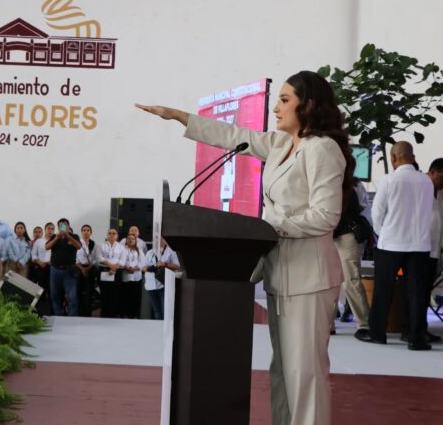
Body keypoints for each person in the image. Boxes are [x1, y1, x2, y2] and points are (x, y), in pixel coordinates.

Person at [137, 70, 353, 425]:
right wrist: (179, 116)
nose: (276, 108)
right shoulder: (284, 144)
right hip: (280, 275)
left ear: (309, 105)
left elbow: (326, 217)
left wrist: (269, 227)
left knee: (306, 376)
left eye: (285, 100)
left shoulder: (322, 149)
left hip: (309, 278)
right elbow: (234, 135)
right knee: (283, 371)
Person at [359, 142, 434, 351]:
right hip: (419, 244)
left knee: (383, 289)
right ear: (413, 156)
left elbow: (377, 213)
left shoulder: (389, 180)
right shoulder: (427, 181)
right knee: (417, 291)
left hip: (391, 242)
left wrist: (384, 232)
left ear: (393, 158)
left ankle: (377, 334)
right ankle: (415, 338)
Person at [330, 181, 372, 337]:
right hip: (331, 236)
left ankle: (365, 324)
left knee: (350, 281)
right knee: (330, 282)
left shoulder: (354, 185)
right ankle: (328, 323)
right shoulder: (351, 185)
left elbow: (364, 209)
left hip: (346, 235)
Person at [421, 157, 443, 343]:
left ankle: (421, 328)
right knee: (418, 291)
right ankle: (413, 328)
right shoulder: (420, 186)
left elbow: (439, 220)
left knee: (426, 291)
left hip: (435, 249)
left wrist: (442, 247)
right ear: (432, 172)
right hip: (420, 248)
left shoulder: (440, 192)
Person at [45, 219, 82, 316]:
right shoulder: (54, 236)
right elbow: (47, 247)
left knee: (72, 297)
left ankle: (72, 318)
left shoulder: (74, 236)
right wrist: (57, 238)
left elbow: (78, 246)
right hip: (55, 270)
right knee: (55, 296)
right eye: (60, 226)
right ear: (58, 228)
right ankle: (58, 316)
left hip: (69, 271)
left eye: (64, 226)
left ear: (68, 227)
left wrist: (67, 236)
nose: (63, 228)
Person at [142, 237, 180, 320]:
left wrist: (164, 264)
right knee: (156, 311)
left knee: (165, 309)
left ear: (165, 240)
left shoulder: (171, 252)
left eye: (161, 239)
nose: (158, 241)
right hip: (151, 284)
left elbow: (177, 266)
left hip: (164, 284)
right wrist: (153, 267)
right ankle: (158, 328)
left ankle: (166, 330)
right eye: (156, 239)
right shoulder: (149, 252)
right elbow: (143, 268)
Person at [97, 228, 124, 318]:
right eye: (109, 233)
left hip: (116, 272)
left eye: (114, 233)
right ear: (107, 235)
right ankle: (104, 314)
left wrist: (114, 268)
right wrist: (110, 265)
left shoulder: (121, 247)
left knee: (115, 294)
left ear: (117, 236)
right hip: (104, 271)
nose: (111, 235)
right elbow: (99, 258)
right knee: (104, 293)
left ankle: (113, 315)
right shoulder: (101, 245)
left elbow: (122, 261)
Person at [75, 224, 98, 317]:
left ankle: (88, 313)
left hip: (90, 269)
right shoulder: (77, 242)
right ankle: (80, 313)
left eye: (88, 230)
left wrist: (88, 269)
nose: (86, 232)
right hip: (79, 269)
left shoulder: (93, 243)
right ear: (81, 232)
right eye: (84, 230)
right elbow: (75, 258)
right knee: (78, 292)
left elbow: (96, 258)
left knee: (89, 292)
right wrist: (82, 269)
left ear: (91, 232)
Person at [120, 233, 144, 319]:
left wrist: (136, 268)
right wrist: (126, 267)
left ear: (135, 240)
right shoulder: (122, 249)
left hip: (136, 276)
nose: (131, 240)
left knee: (135, 297)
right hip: (126, 276)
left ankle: (134, 315)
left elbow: (143, 263)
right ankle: (125, 314)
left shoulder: (139, 250)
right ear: (126, 240)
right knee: (126, 296)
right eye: (129, 239)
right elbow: (120, 261)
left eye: (133, 239)